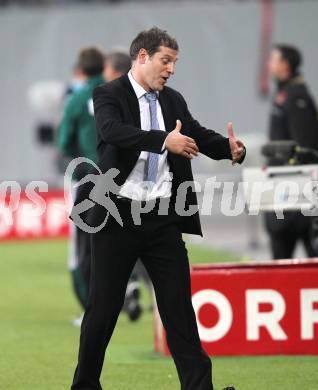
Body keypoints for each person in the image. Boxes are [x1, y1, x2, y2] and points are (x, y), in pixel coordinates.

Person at [71, 27, 245, 390]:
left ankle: (199, 388)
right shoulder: (108, 93)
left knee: (178, 307)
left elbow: (194, 133)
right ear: (142, 57)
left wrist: (228, 149)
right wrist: (164, 140)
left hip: (163, 216)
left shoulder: (173, 100)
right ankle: (84, 385)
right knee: (103, 310)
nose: (171, 69)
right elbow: (112, 131)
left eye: (175, 63)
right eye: (166, 61)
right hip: (117, 215)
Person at [58, 47, 105, 322]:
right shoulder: (116, 93)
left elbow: (64, 142)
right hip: (119, 178)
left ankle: (90, 307)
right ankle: (128, 289)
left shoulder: (76, 100)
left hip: (85, 178)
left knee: (82, 246)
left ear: (81, 70)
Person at [264, 44, 318, 259]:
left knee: (309, 257)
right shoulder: (284, 93)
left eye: (273, 59)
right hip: (284, 187)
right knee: (280, 254)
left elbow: (305, 147)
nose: (269, 64)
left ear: (285, 65)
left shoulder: (297, 97)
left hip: (296, 192)